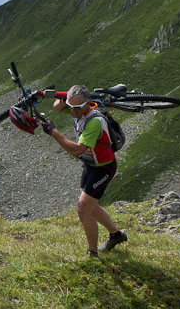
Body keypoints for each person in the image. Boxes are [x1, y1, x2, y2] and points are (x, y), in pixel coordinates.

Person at [40, 84, 127, 258]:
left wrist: (54, 132)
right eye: (70, 106)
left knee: (83, 209)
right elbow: (57, 107)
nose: (72, 111)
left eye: (77, 107)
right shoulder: (77, 109)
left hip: (103, 167)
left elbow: (76, 150)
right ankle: (117, 235)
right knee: (90, 206)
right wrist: (61, 95)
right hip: (90, 164)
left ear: (88, 103)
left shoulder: (94, 121)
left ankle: (92, 254)